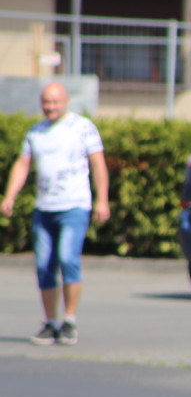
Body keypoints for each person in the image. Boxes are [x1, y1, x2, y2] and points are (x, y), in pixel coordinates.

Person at [1, 81, 110, 345]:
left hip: (74, 205)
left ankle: (69, 321)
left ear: (66, 101)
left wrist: (102, 200)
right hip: (45, 208)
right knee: (44, 264)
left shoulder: (83, 128)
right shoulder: (36, 132)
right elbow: (23, 164)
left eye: (55, 102)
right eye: (46, 103)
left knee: (67, 258)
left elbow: (98, 164)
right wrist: (10, 195)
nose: (50, 107)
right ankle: (50, 323)